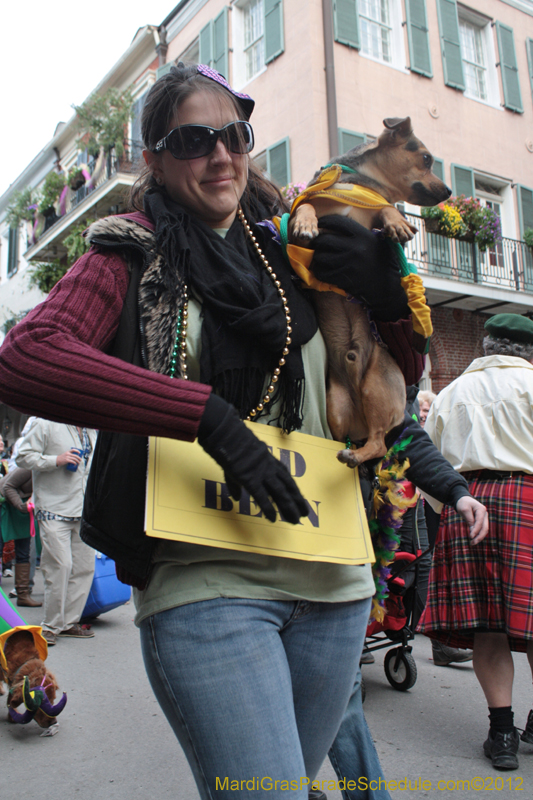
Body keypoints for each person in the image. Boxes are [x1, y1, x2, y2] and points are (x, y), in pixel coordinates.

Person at [0, 64, 487, 800]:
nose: (221, 155)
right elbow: (27, 357)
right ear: (156, 159)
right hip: (206, 580)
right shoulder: (128, 248)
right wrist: (206, 418)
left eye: (234, 134)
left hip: (335, 579)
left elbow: (395, 375)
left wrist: (385, 293)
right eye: (194, 140)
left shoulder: (296, 236)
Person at [418, 313, 533, 771]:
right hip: (530, 501)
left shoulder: (452, 393)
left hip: (471, 504)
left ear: (486, 347)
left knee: (488, 623)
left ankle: (501, 732)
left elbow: (429, 463)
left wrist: (449, 506)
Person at [16, 419, 97, 646]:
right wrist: (56, 460)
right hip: (53, 508)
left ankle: (69, 623)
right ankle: (50, 627)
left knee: (84, 568)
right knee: (60, 566)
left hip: (83, 511)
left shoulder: (92, 430)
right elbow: (22, 455)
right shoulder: (46, 423)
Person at [0, 466, 41, 607]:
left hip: (24, 509)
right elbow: (7, 486)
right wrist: (21, 506)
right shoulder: (30, 467)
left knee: (24, 552)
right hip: (6, 504)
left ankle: (23, 594)